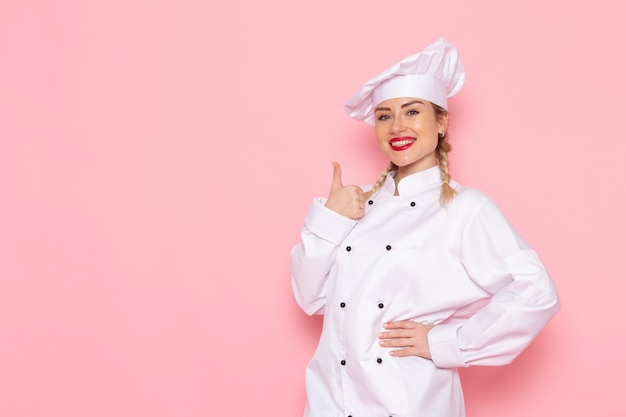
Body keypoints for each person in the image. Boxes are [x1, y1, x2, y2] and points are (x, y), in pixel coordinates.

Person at [290, 38, 560, 417]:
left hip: (410, 401)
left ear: (442, 121)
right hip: (330, 401)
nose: (397, 126)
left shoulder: (466, 208)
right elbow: (310, 298)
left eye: (412, 112)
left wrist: (445, 342)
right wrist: (329, 219)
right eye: (384, 115)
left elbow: (536, 293)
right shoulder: (357, 207)